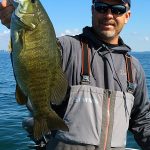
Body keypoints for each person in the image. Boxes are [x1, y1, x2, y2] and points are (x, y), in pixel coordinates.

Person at [1, 0, 150, 149]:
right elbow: (34, 54)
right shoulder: (67, 48)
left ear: (127, 16)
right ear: (92, 10)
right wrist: (14, 26)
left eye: (117, 9)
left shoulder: (134, 68)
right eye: (101, 8)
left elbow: (142, 120)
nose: (109, 15)